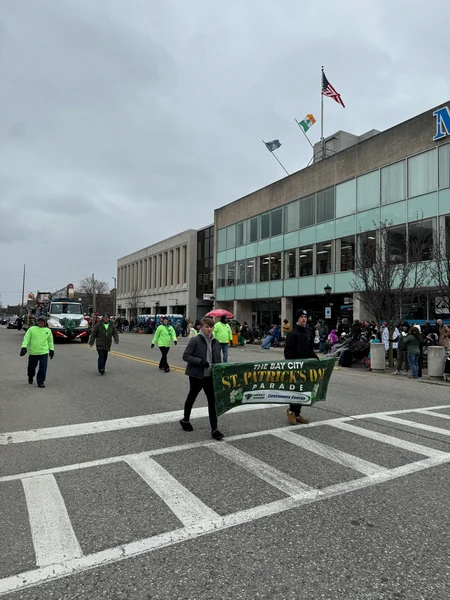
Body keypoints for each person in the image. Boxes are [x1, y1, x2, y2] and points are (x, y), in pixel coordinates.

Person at [180, 316, 224, 440]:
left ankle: (214, 429)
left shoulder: (216, 342)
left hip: (210, 377)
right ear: (201, 327)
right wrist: (200, 362)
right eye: (207, 327)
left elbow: (218, 359)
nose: (209, 329)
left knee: (212, 401)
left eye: (211, 327)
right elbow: (186, 356)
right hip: (196, 375)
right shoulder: (195, 340)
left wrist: (220, 370)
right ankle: (185, 420)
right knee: (192, 397)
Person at [284, 309, 318, 425]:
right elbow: (288, 352)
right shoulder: (293, 333)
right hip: (295, 367)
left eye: (305, 316)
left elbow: (310, 351)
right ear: (297, 318)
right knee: (295, 390)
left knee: (302, 391)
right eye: (301, 316)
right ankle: (291, 411)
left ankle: (298, 413)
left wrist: (316, 360)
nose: (304, 319)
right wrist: (293, 365)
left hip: (306, 368)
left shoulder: (308, 333)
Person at [20, 315, 54, 388]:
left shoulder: (48, 331)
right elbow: (26, 338)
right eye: (39, 321)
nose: (40, 322)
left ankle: (40, 381)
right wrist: (24, 347)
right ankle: (30, 376)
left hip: (44, 352)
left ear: (45, 322)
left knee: (43, 367)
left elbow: (50, 341)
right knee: (31, 368)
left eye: (42, 321)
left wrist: (51, 350)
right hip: (33, 352)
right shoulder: (32, 329)